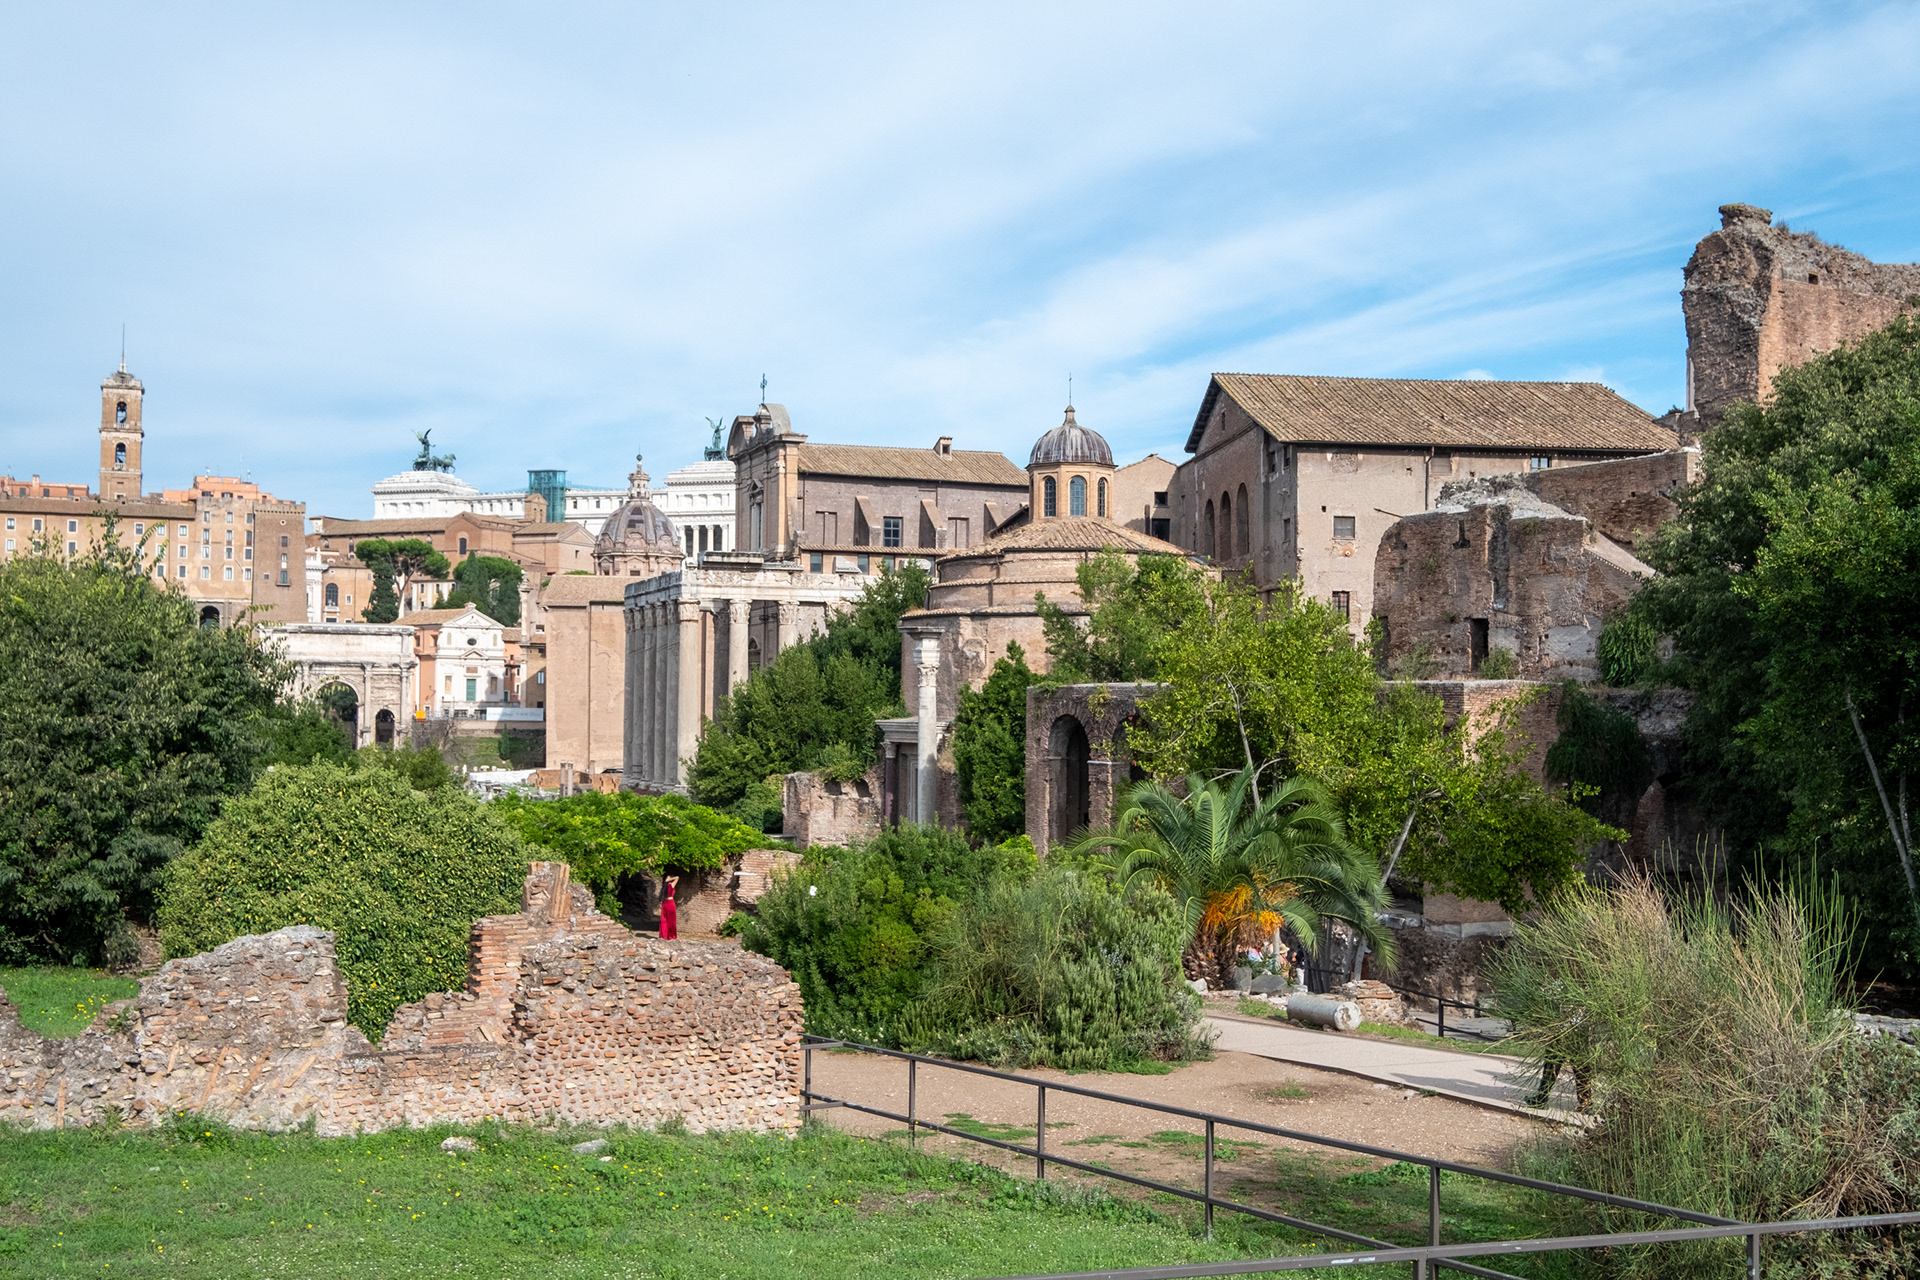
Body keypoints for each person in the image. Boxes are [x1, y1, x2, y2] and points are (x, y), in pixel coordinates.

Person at [659, 875, 678, 941]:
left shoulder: (663, 887)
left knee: (664, 920)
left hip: (664, 903)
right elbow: (677, 877)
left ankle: (663, 936)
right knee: (671, 920)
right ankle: (671, 936)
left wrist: (667, 880)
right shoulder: (671, 885)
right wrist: (670, 879)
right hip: (670, 903)